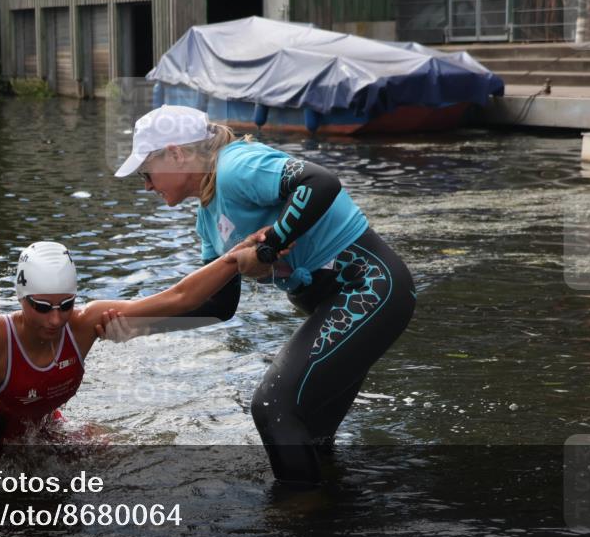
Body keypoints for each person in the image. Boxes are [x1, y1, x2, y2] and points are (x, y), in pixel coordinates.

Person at [112, 104, 416, 485]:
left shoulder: (235, 166)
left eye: (146, 172)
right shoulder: (207, 220)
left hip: (369, 286)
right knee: (307, 433)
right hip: (336, 303)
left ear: (176, 154)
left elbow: (320, 182)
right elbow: (220, 305)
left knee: (273, 408)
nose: (147, 186)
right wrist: (137, 325)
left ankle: (298, 523)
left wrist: (268, 248)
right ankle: (332, 522)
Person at [0, 239, 264, 452]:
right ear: (21, 298)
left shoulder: (83, 324)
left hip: (45, 432)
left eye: (65, 305)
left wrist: (234, 259)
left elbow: (178, 298)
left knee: (119, 453)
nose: (55, 319)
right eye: (41, 306)